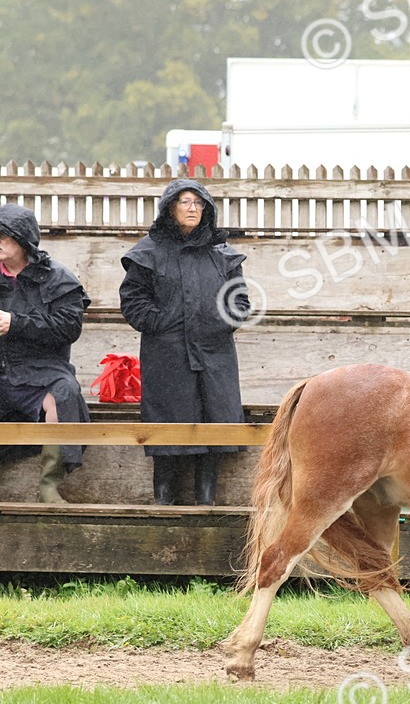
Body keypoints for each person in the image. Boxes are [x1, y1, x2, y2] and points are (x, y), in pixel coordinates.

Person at [119, 179, 251, 506]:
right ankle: (164, 500)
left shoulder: (222, 255)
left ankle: (206, 500)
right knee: (168, 424)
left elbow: (241, 302)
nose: (192, 209)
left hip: (213, 354)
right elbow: (133, 300)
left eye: (198, 203)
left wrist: (214, 324)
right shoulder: (148, 252)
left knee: (215, 418)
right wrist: (163, 323)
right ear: (170, 208)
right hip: (167, 354)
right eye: (184, 202)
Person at [0, 204, 91, 503]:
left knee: (63, 392)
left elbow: (68, 328)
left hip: (41, 369)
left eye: (4, 236)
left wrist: (16, 323)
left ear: (23, 240)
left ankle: (49, 485)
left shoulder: (57, 278)